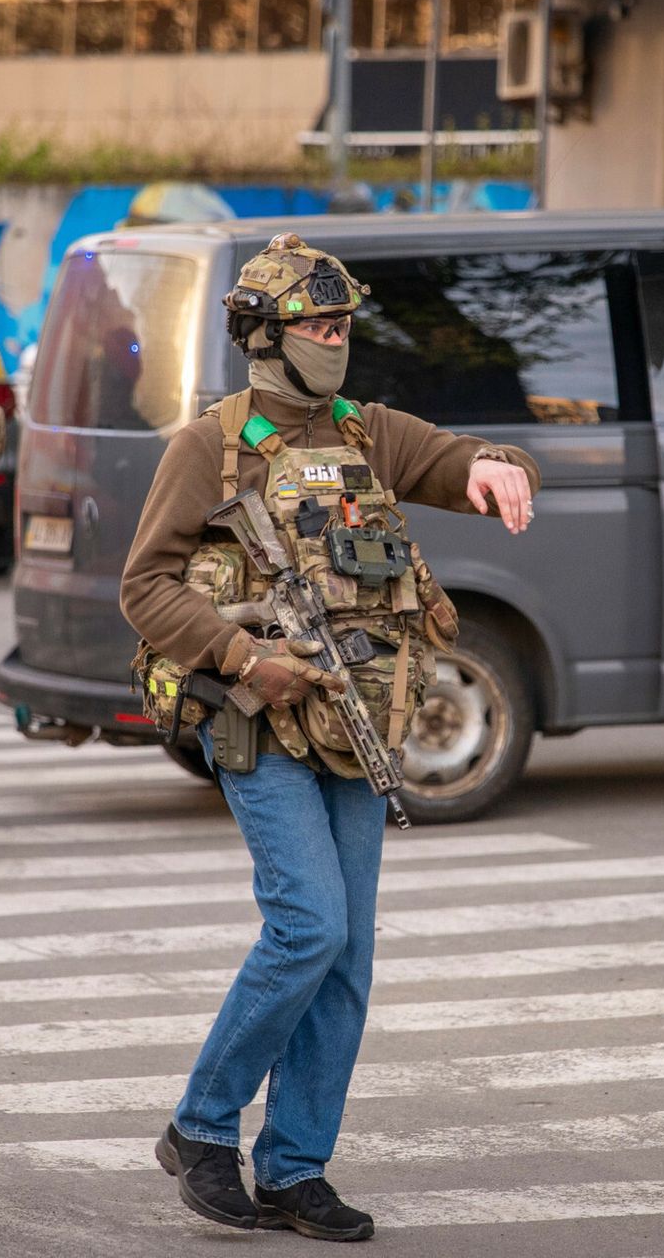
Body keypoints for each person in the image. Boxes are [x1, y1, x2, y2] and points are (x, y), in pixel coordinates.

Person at [120, 233, 540, 1242]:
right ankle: (202, 1125)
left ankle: (297, 1166)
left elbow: (462, 459)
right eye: (318, 323)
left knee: (346, 956)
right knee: (308, 924)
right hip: (256, 718)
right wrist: (236, 653)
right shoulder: (208, 445)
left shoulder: (369, 433)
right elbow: (145, 587)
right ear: (265, 333)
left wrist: (498, 467)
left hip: (360, 722)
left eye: (345, 322)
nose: (336, 337)